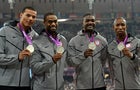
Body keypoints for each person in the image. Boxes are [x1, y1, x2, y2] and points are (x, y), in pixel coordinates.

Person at [0, 6, 38, 90]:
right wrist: (17, 57)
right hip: (6, 84)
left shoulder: (35, 36)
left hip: (26, 84)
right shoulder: (4, 32)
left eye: (33, 17)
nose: (31, 18)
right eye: (28, 15)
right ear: (20, 15)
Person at [67, 13, 108, 90]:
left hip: (100, 85)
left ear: (95, 23)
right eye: (87, 21)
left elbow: (103, 60)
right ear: (83, 23)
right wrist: (83, 55)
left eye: (92, 20)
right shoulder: (74, 41)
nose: (90, 22)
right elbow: (70, 62)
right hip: (82, 85)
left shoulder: (103, 41)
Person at [30, 12, 67, 90]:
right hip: (42, 88)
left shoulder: (63, 40)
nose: (53, 24)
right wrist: (52, 60)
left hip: (60, 87)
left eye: (55, 21)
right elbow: (34, 68)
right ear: (44, 23)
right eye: (50, 22)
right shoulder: (36, 42)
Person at [107, 17, 140, 89]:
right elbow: (111, 69)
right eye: (117, 25)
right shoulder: (110, 47)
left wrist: (132, 56)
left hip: (134, 86)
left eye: (122, 25)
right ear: (113, 27)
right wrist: (113, 85)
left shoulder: (137, 43)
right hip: (118, 87)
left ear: (126, 26)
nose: (120, 27)